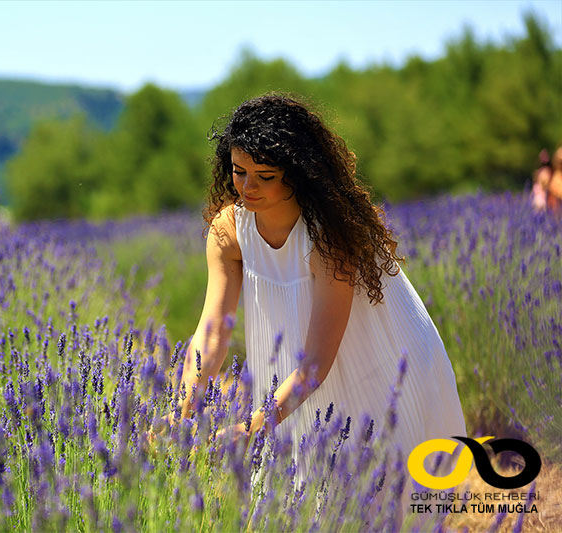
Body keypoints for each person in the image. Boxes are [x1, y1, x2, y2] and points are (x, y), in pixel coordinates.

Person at [169, 93, 467, 530]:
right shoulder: (229, 231)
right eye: (239, 172)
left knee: (379, 498)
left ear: (298, 174)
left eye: (264, 176)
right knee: (301, 503)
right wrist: (183, 413)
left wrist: (249, 429)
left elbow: (315, 366)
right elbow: (212, 334)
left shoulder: (328, 238)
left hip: (378, 360)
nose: (247, 187)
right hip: (296, 376)